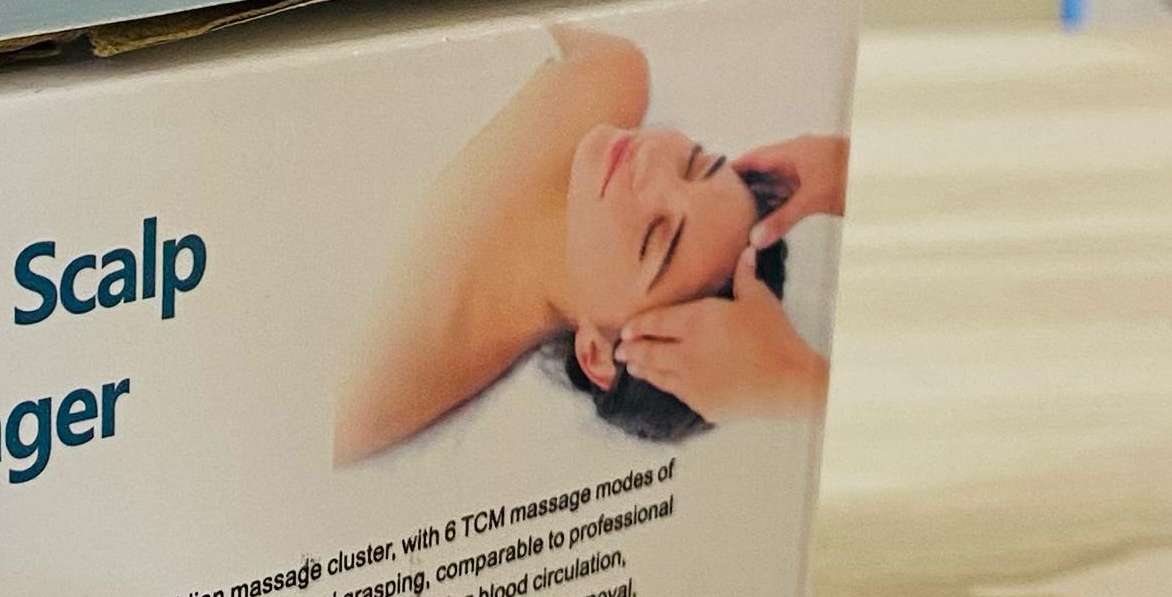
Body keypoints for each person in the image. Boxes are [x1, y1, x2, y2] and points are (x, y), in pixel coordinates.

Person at [333, 23, 846, 461]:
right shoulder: (612, 75)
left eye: (653, 238)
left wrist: (790, 383)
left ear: (598, 354)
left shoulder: (378, 384)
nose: (651, 163)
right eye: (693, 163)